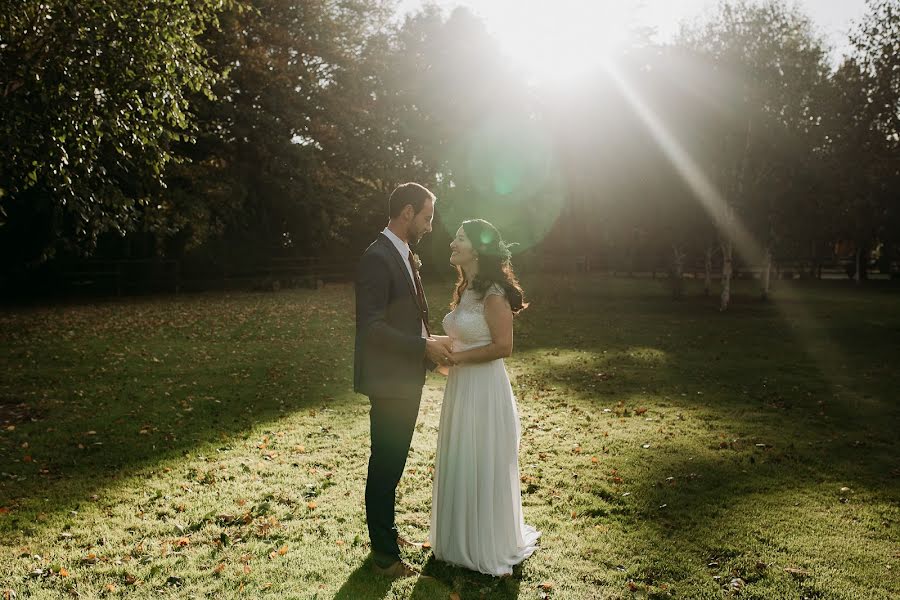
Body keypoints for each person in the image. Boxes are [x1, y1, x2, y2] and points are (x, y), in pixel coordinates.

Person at [429, 218, 540, 576]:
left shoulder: (493, 291)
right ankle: (458, 542)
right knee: (462, 456)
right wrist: (433, 345)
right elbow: (463, 335)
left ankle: (486, 544)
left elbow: (503, 346)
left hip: (485, 389)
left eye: (459, 239)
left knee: (482, 460)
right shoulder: (467, 288)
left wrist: (456, 358)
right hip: (462, 387)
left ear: (477, 248)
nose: (452, 244)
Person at [353, 182, 453, 578]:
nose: (429, 226)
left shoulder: (403, 254)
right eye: (427, 217)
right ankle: (384, 557)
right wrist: (421, 347)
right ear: (407, 213)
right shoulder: (377, 257)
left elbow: (404, 315)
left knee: (392, 463)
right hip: (389, 379)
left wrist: (429, 340)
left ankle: (386, 535)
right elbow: (371, 328)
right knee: (386, 464)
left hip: (403, 376)